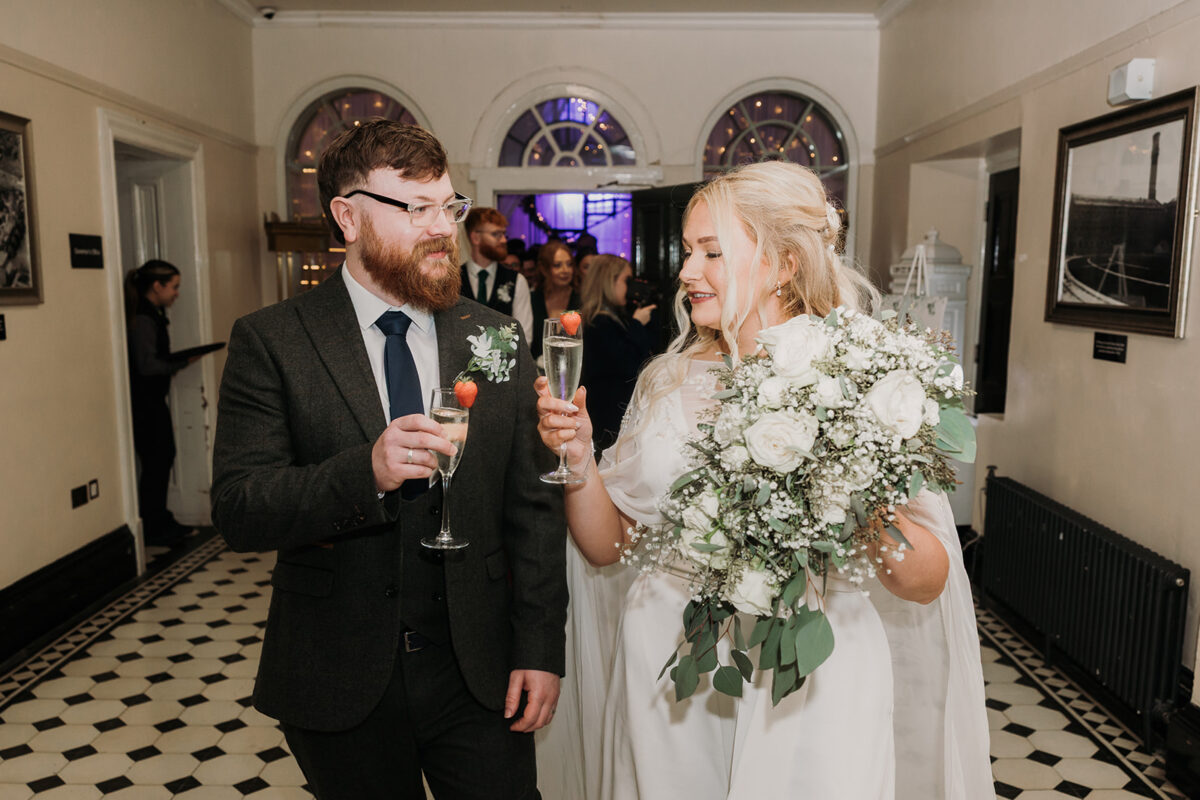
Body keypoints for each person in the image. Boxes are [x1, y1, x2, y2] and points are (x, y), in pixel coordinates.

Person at [535, 161, 992, 799]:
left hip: (813, 673)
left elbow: (928, 581)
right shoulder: (667, 381)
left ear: (782, 264)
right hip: (672, 668)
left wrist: (850, 484)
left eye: (711, 252)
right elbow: (606, 546)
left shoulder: (861, 380)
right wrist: (580, 458)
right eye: (690, 252)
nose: (687, 271)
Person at [211, 121, 567, 800]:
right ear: (347, 217)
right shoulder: (274, 340)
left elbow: (533, 507)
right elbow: (240, 508)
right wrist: (364, 473)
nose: (443, 229)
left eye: (450, 207)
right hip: (340, 675)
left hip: (479, 670)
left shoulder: (492, 334)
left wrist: (540, 649)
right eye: (416, 209)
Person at [125, 259, 199, 547]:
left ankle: (159, 517)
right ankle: (153, 523)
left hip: (152, 401)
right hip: (146, 404)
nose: (176, 294)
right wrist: (179, 362)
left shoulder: (150, 314)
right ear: (157, 286)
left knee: (162, 458)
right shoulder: (143, 319)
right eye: (174, 287)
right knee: (157, 461)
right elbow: (146, 365)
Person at [577, 255, 656, 453]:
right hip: (606, 416)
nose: (629, 287)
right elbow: (628, 364)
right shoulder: (599, 323)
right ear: (609, 282)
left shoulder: (607, 318)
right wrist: (637, 324)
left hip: (608, 412)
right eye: (626, 280)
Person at [461, 207, 534, 341]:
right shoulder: (453, 280)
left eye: (503, 234)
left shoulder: (516, 280)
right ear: (475, 237)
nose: (503, 241)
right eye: (496, 234)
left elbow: (524, 338)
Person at [530, 240, 581, 360]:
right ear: (544, 269)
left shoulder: (581, 299)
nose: (565, 270)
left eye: (569, 264)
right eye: (557, 265)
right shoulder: (533, 299)